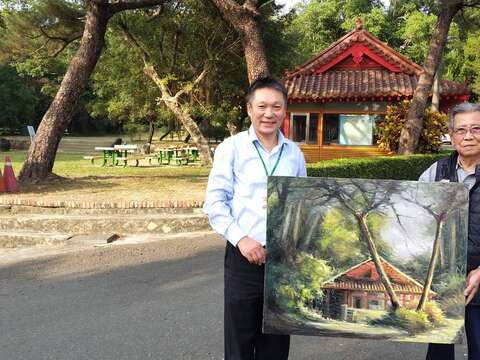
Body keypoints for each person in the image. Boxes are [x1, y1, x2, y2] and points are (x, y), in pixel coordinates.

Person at [203, 76, 307, 360]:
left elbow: (300, 205)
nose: (269, 113)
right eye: (262, 106)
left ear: (285, 110)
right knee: (240, 342)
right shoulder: (232, 148)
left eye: (276, 106)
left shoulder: (295, 154)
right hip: (243, 257)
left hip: (281, 261)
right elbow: (214, 203)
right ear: (249, 109)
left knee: (276, 344)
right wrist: (243, 240)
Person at [419, 102, 480, 360]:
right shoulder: (435, 172)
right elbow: (417, 220)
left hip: (479, 276)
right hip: (443, 281)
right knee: (439, 351)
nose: (468, 136)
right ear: (452, 136)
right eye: (461, 130)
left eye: (476, 129)